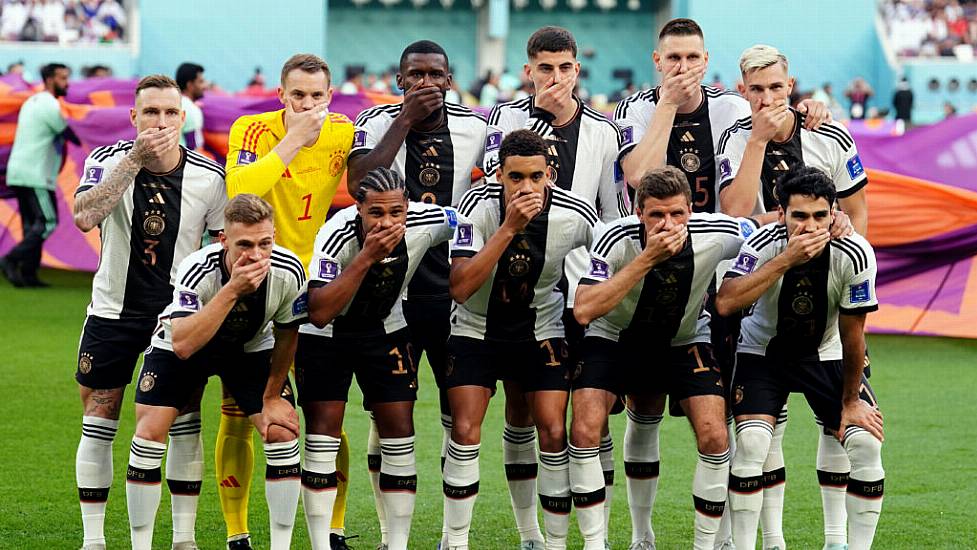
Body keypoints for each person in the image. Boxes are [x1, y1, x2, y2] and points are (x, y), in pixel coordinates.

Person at [612, 20, 836, 546]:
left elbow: (773, 131)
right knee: (644, 407)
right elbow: (638, 177)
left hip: (727, 272)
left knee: (747, 413)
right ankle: (642, 535)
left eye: (692, 58)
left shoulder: (734, 110)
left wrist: (807, 112)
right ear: (657, 61)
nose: (683, 68)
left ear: (706, 60)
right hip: (657, 268)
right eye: (673, 59)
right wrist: (668, 105)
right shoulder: (635, 109)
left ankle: (746, 536)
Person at [715, 44, 867, 550]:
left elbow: (858, 212)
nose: (766, 98)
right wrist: (757, 141)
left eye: (775, 87)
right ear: (743, 92)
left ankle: (836, 541)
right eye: (755, 90)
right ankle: (770, 541)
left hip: (826, 303)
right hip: (757, 297)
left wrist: (847, 242)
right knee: (760, 434)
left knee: (841, 431)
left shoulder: (831, 135)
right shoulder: (736, 140)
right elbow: (734, 215)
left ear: (791, 85)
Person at [482, 25, 627, 548]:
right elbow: (489, 191)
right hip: (524, 287)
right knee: (525, 408)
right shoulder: (504, 120)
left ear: (577, 70)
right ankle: (531, 534)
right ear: (528, 71)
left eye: (565, 68)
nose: (556, 78)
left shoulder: (605, 133)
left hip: (582, 291)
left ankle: (596, 534)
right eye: (546, 68)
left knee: (593, 413)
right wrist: (539, 117)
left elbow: (615, 216)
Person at [71, 74, 228, 550]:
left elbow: (223, 247)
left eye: (170, 112)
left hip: (176, 317)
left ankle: (183, 538)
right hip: (112, 310)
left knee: (183, 418)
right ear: (134, 117)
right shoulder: (108, 160)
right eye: (151, 112)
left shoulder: (209, 176)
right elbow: (84, 215)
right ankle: (93, 540)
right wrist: (136, 158)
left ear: (184, 117)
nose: (161, 121)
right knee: (100, 417)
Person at [572, 166, 758, 549]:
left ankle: (707, 545)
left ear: (691, 210)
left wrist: (837, 223)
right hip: (614, 337)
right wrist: (648, 258)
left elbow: (766, 234)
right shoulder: (614, 238)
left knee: (714, 435)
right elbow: (585, 309)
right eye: (656, 214)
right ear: (639, 212)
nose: (667, 223)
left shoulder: (717, 232)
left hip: (684, 339)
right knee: (585, 428)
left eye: (677, 214)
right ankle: (611, 541)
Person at [346, 40, 486, 546]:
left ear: (450, 80)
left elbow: (493, 191)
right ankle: (390, 534)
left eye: (435, 75)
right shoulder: (374, 122)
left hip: (453, 297)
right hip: (390, 298)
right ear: (400, 79)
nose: (426, 83)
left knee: (458, 419)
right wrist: (402, 122)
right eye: (416, 75)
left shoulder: (476, 126)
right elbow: (359, 184)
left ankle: (455, 537)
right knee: (389, 417)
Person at [441, 130, 598, 550]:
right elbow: (460, 287)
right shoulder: (474, 206)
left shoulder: (576, 213)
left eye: (534, 176)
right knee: (465, 429)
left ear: (549, 174)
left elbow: (611, 259)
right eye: (515, 177)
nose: (525, 187)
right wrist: (509, 227)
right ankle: (455, 540)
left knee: (550, 429)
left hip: (541, 328)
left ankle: (547, 540)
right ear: (499, 174)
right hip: (476, 327)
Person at [223, 53, 355, 549]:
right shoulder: (253, 129)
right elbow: (239, 191)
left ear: (330, 95)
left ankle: (333, 528)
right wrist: (294, 139)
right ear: (281, 95)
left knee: (325, 414)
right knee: (239, 410)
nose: (307, 104)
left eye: (317, 96)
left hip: (314, 285)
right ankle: (238, 533)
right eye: (297, 95)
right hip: (255, 279)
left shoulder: (343, 131)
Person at [125, 193, 306, 550]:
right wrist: (232, 290)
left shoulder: (289, 270)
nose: (255, 254)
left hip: (250, 349)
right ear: (223, 239)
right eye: (244, 245)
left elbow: (288, 334)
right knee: (148, 434)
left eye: (264, 243)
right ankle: (146, 544)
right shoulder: (198, 268)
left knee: (282, 432)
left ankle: (280, 546)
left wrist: (271, 396)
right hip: (186, 343)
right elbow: (183, 344)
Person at [716, 166, 884, 550]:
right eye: (800, 216)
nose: (810, 226)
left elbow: (853, 331)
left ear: (834, 213)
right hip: (762, 353)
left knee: (866, 445)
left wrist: (851, 400)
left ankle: (844, 545)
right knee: (754, 445)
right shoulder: (761, 245)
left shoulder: (855, 253)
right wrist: (786, 260)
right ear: (781, 214)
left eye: (820, 216)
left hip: (826, 354)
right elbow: (726, 301)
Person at [297, 167, 459, 550]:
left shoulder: (429, 219)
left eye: (395, 213)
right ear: (359, 209)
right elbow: (319, 311)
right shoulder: (335, 234)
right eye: (376, 214)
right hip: (327, 335)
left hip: (386, 328)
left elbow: (470, 222)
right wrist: (367, 257)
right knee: (323, 434)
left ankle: (397, 544)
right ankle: (321, 545)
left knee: (400, 432)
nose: (387, 222)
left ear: (407, 206)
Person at [0, 62, 70, 287]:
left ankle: (29, 275)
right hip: (36, 174)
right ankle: (11, 260)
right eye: (62, 78)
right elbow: (71, 131)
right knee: (48, 222)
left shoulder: (31, 101)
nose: (66, 83)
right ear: (49, 80)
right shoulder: (49, 105)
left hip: (19, 171)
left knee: (32, 226)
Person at [176, 62, 207, 151]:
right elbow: (192, 147)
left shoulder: (176, 102)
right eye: (200, 82)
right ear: (189, 85)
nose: (204, 86)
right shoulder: (191, 109)